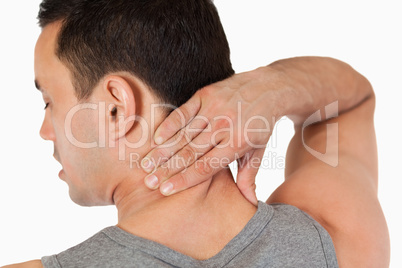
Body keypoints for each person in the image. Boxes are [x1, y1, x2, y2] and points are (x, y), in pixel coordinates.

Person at [2, 0, 389, 267]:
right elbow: (353, 101)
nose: (45, 131)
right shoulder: (337, 238)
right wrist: (274, 85)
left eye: (49, 101)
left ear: (116, 107)